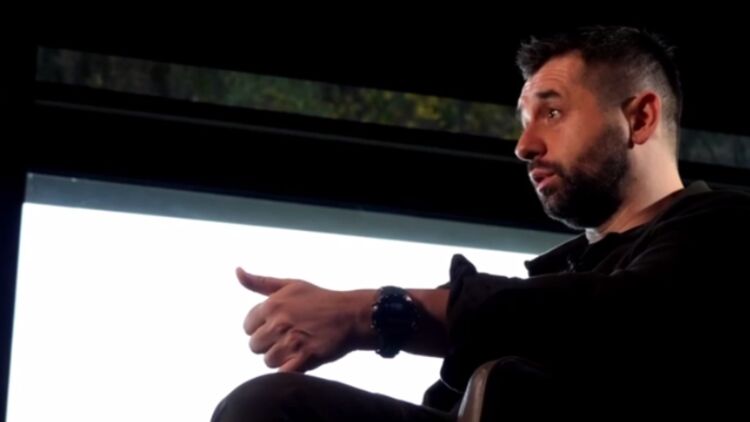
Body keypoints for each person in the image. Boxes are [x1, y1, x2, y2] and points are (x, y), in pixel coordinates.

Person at [211, 25, 750, 421]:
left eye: (552, 113)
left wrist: (373, 312)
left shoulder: (729, 228)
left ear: (640, 117)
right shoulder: (551, 282)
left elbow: (622, 319)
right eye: (524, 121)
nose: (525, 145)